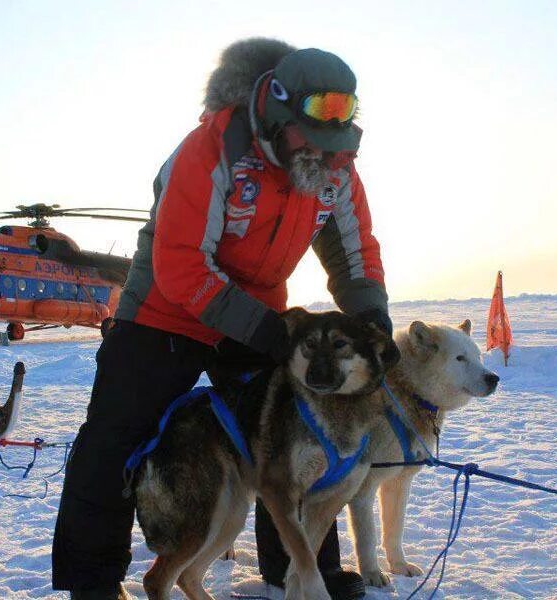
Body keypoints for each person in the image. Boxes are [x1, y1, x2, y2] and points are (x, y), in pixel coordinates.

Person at [52, 38, 393, 600]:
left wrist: (372, 315)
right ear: (278, 118)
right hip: (164, 309)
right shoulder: (210, 151)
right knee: (115, 434)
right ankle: (93, 580)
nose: (328, 158)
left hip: (257, 307)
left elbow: (355, 253)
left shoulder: (333, 167)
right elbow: (183, 264)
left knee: (292, 426)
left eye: (339, 147)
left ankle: (303, 569)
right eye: (316, 142)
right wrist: (270, 334)